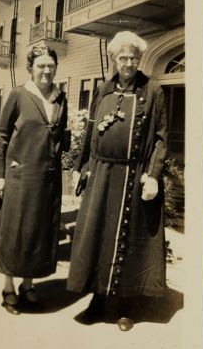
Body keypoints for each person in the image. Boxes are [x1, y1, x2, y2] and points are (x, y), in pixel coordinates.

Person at [67, 31, 167, 331]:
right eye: (123, 57)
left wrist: (153, 174)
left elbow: (161, 137)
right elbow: (90, 131)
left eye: (133, 58)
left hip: (134, 176)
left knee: (128, 240)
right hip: (101, 174)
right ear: (114, 59)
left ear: (139, 60)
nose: (128, 63)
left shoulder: (153, 90)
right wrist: (80, 167)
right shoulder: (102, 89)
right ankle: (97, 302)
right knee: (98, 237)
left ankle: (126, 306)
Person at [0, 45, 69, 314]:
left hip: (47, 177)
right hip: (21, 176)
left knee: (37, 230)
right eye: (41, 66)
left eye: (50, 65)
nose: (46, 70)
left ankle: (28, 284)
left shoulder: (61, 98)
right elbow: (1, 136)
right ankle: (8, 287)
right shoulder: (18, 94)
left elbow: (59, 137)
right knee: (16, 231)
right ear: (31, 69)